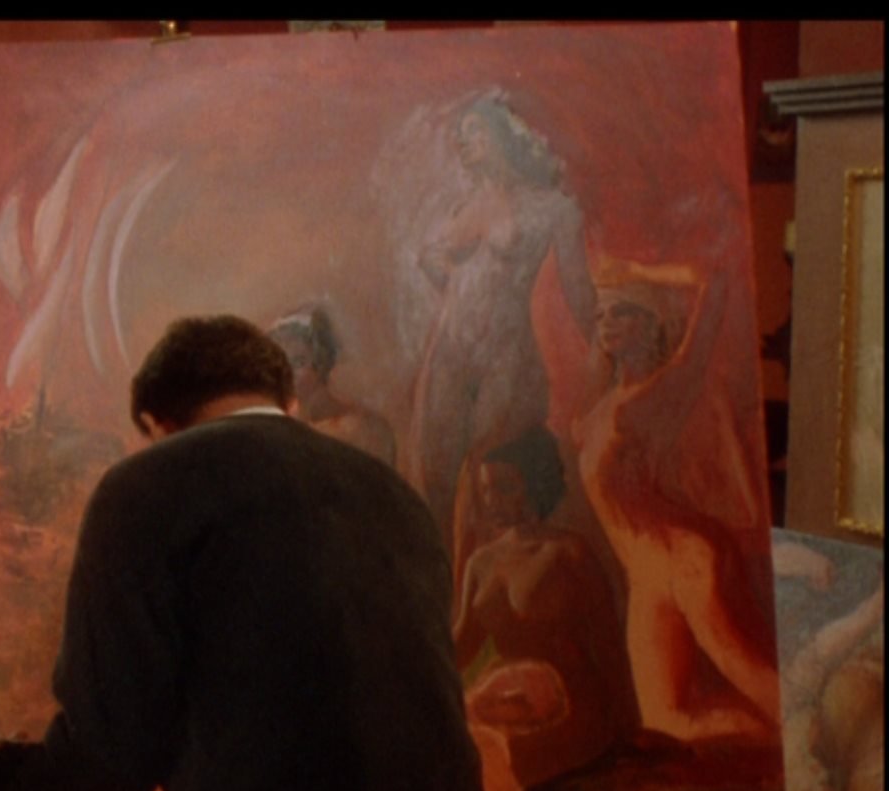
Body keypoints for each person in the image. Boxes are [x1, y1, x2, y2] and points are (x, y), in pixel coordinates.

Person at [0, 315, 504, 791]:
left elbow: (113, 749)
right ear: (287, 401)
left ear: (157, 423)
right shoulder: (391, 493)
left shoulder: (146, 487)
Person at [569, 264, 778, 741]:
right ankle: (779, 744)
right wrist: (615, 286)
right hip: (646, 577)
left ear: (652, 323)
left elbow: (715, 285)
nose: (607, 323)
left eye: (623, 312)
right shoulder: (601, 402)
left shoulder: (657, 396)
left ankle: (807, 746)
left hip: (685, 561)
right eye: (602, 314)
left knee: (753, 677)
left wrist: (640, 271)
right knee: (667, 721)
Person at [453, 426, 640, 791]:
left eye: (506, 487)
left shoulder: (571, 555)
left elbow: (611, 654)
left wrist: (629, 733)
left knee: (478, 750)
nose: (494, 501)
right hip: (506, 704)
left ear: (535, 482)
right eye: (487, 490)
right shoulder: (481, 563)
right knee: (460, 734)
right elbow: (455, 652)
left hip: (572, 713)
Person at [402, 89, 596, 566]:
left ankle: (485, 593)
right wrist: (457, 288)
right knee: (434, 480)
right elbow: (438, 269)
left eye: (474, 131)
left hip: (507, 356)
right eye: (459, 135)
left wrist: (603, 358)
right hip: (450, 352)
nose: (463, 142)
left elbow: (579, 289)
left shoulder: (552, 207)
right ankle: (440, 592)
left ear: (504, 135)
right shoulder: (460, 208)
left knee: (489, 480)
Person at [267, 302, 396, 467]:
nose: (288, 372)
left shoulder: (362, 429)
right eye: (282, 361)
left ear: (322, 362)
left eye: (299, 362)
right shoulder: (278, 426)